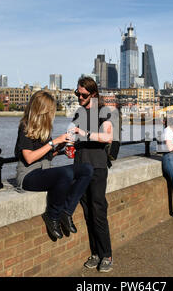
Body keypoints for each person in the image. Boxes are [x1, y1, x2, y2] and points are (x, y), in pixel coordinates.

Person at [14, 90, 94, 240]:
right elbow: (29, 158)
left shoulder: (44, 129)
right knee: (66, 174)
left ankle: (66, 212)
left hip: (44, 170)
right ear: (42, 110)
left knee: (87, 169)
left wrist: (60, 147)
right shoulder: (25, 127)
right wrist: (54, 142)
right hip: (28, 176)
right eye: (51, 110)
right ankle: (52, 216)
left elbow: (48, 155)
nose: (53, 113)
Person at [71, 76, 115, 273]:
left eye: (83, 95)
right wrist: (70, 146)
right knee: (87, 211)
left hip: (97, 167)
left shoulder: (103, 113)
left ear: (93, 95)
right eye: (77, 94)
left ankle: (106, 254)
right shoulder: (79, 113)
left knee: (98, 210)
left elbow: (108, 137)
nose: (79, 97)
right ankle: (95, 252)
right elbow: (75, 136)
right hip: (80, 165)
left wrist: (86, 134)